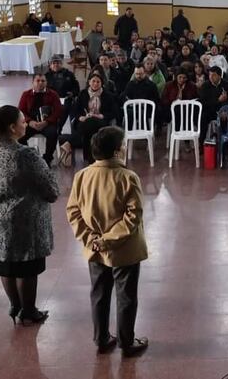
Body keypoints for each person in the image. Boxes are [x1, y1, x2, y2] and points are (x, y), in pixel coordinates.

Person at [66, 127, 149, 356]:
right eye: (122, 145)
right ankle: (126, 342)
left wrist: (92, 239)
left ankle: (101, 338)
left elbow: (73, 212)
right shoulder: (128, 178)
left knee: (99, 293)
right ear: (116, 151)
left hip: (94, 248)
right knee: (126, 296)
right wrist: (109, 240)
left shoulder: (82, 177)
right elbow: (133, 217)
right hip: (125, 250)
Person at [0, 105, 59, 325]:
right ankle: (29, 310)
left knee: (5, 264)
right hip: (22, 218)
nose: (26, 124)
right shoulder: (24, 154)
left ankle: (15, 305)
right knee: (27, 267)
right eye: (23, 122)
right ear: (12, 127)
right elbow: (49, 187)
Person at [63, 74, 119, 164]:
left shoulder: (107, 95)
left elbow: (114, 112)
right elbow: (74, 110)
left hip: (101, 121)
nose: (95, 84)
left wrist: (102, 115)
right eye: (93, 81)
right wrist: (80, 117)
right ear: (89, 82)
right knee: (89, 126)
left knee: (90, 122)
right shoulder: (83, 93)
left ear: (102, 83)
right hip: (84, 121)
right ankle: (91, 159)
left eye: (98, 82)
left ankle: (70, 143)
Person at [17, 74, 63, 166]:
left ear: (46, 82)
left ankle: (47, 158)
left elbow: (58, 111)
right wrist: (30, 121)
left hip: (47, 122)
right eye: (38, 81)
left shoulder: (53, 94)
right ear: (33, 82)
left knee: (53, 134)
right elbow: (21, 111)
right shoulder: (26, 94)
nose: (40, 83)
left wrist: (46, 122)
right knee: (19, 135)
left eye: (43, 81)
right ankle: (29, 156)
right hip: (31, 123)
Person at [198, 66, 228, 139]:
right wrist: (218, 101)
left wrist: (224, 110)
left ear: (219, 76)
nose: (211, 77)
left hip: (222, 110)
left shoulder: (226, 85)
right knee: (203, 117)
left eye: (213, 75)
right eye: (209, 75)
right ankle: (201, 142)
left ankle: (225, 144)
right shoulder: (205, 85)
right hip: (210, 110)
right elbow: (204, 102)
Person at [45, 55, 80, 129]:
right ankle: (54, 127)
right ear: (50, 65)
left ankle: (60, 127)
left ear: (61, 64)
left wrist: (72, 93)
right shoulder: (46, 76)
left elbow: (76, 87)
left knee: (67, 108)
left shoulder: (69, 74)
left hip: (66, 98)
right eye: (53, 63)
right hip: (51, 99)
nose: (56, 65)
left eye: (58, 63)